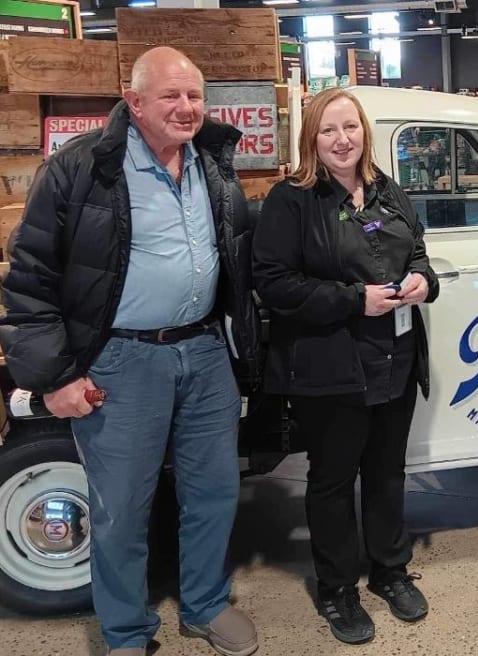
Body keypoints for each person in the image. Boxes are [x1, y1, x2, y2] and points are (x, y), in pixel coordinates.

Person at [0, 47, 261, 656]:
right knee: (119, 507)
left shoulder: (214, 164)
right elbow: (30, 276)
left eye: (194, 95)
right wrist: (55, 376)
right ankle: (124, 631)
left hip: (203, 354)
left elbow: (238, 258)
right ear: (134, 100)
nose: (186, 107)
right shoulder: (82, 167)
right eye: (171, 95)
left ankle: (205, 605)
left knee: (215, 493)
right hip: (121, 361)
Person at [253, 88, 439, 645]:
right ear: (312, 137)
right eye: (329, 129)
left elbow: (420, 251)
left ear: (365, 132)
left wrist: (424, 283)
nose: (342, 139)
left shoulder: (387, 190)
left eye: (351, 127)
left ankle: (390, 570)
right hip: (330, 366)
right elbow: (274, 282)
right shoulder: (292, 200)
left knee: (386, 472)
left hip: (396, 359)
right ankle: (337, 589)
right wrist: (354, 300)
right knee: (333, 480)